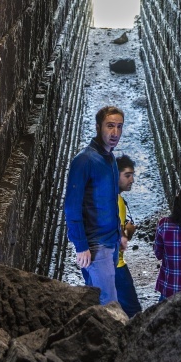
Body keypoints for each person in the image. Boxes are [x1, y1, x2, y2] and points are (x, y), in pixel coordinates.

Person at [64, 106, 124, 304]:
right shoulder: (84, 161)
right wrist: (81, 246)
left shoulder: (110, 158)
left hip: (111, 242)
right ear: (98, 127)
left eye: (119, 127)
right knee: (109, 304)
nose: (115, 133)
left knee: (99, 300)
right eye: (110, 126)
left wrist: (119, 235)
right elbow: (72, 206)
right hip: (96, 244)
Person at [115, 154, 142, 318]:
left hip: (98, 264)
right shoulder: (116, 202)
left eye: (132, 175)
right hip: (115, 266)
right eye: (127, 175)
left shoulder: (104, 196)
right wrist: (129, 232)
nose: (131, 180)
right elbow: (117, 240)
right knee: (134, 312)